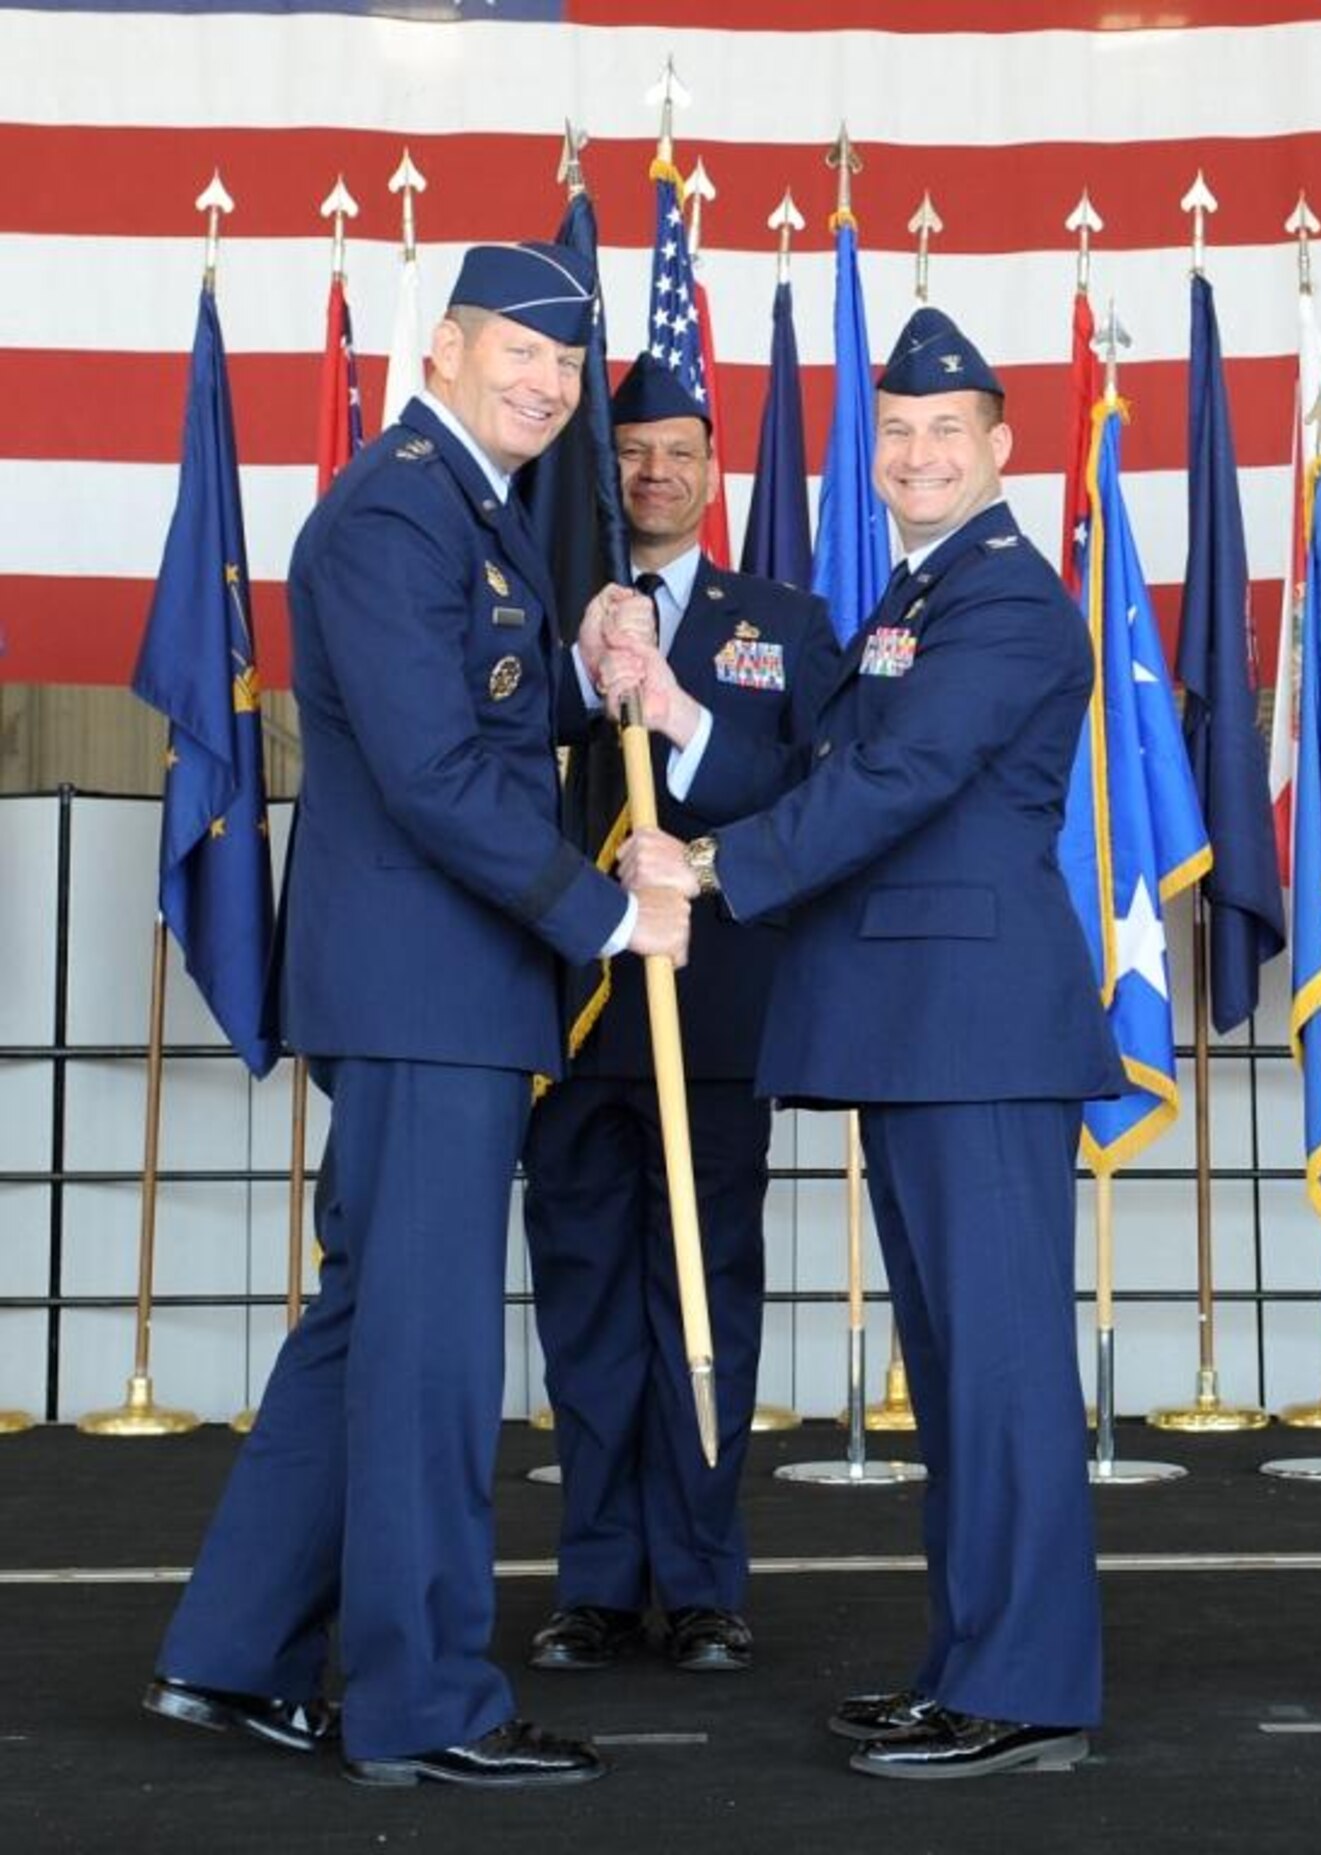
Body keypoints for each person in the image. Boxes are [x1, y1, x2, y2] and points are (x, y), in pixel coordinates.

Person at [142, 243, 690, 1791]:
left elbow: (486, 712)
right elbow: (438, 775)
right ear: (442, 348)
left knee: (369, 1325)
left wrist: (587, 677)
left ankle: (230, 1654)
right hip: (428, 996)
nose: (548, 384)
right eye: (519, 352)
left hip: (441, 991)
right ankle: (425, 1699)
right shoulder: (397, 505)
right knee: (432, 1360)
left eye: (567, 367)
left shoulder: (467, 509)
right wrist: (605, 915)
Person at [608, 305, 1123, 1781]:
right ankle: (971, 1663)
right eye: (895, 433)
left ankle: (1026, 1691)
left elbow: (893, 778)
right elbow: (805, 757)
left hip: (976, 1033)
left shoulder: (1010, 601)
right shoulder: (913, 590)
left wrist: (705, 870)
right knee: (956, 1371)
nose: (915, 454)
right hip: (921, 1035)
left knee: (1002, 1369)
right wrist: (673, 710)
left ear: (1000, 448)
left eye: (945, 433)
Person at [521, 354, 838, 1678]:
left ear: (717, 469)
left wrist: (675, 709)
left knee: (705, 1301)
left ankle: (703, 1581)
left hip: (708, 1023)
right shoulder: (536, 607)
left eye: (681, 453)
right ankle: (596, 1582)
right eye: (632, 452)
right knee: (587, 1311)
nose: (656, 474)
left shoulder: (783, 623)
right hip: (566, 1022)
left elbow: (805, 797)